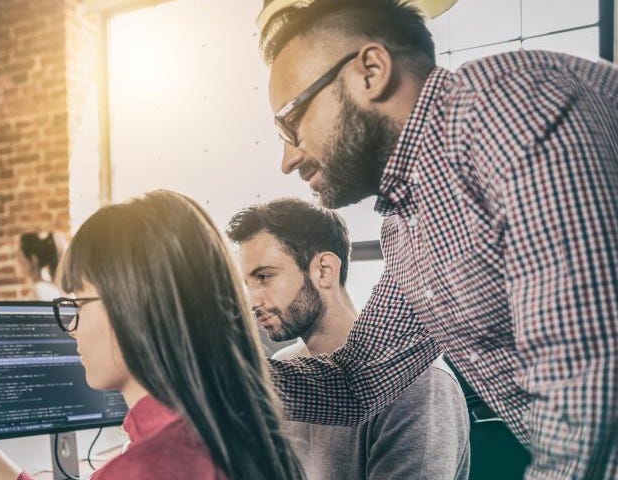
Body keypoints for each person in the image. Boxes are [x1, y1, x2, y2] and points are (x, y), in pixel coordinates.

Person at [256, 0, 618, 478]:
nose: (288, 159)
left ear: (370, 70)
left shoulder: (514, 111)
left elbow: (590, 399)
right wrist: (211, 374)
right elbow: (357, 382)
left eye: (291, 121)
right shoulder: (408, 224)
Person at [0, 190, 303, 480]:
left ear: (135, 307)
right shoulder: (240, 430)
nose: (69, 325)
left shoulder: (150, 467)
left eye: (76, 302)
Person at [228, 197, 469, 480]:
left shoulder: (418, 382)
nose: (251, 299)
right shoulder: (285, 366)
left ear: (324, 270)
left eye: (265, 276)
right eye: (246, 283)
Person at [16, 231, 63, 300]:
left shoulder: (40, 291)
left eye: (20, 257)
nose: (17, 262)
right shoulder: (45, 288)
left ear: (33, 259)